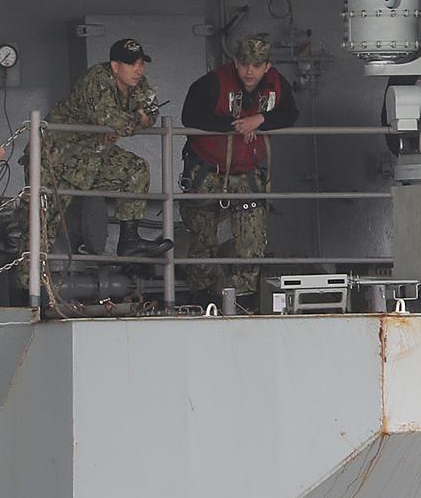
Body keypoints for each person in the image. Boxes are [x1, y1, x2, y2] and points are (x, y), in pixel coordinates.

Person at [17, 38, 174, 264]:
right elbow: (111, 118)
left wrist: (134, 120)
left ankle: (129, 241)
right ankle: (30, 291)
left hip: (91, 157)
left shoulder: (139, 84)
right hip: (56, 159)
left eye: (141, 63)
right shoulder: (96, 80)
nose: (138, 70)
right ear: (114, 66)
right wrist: (133, 120)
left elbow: (152, 111)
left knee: (135, 169)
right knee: (40, 226)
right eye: (131, 64)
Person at [180, 36, 298, 308]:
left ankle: (245, 301)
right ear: (235, 62)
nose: (249, 71)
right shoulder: (212, 84)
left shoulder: (277, 86)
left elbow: (291, 113)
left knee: (251, 238)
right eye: (244, 63)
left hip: (247, 173)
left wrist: (260, 119)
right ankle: (202, 299)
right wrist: (235, 125)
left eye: (256, 65)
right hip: (209, 170)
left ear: (267, 66)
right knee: (202, 237)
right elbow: (191, 116)